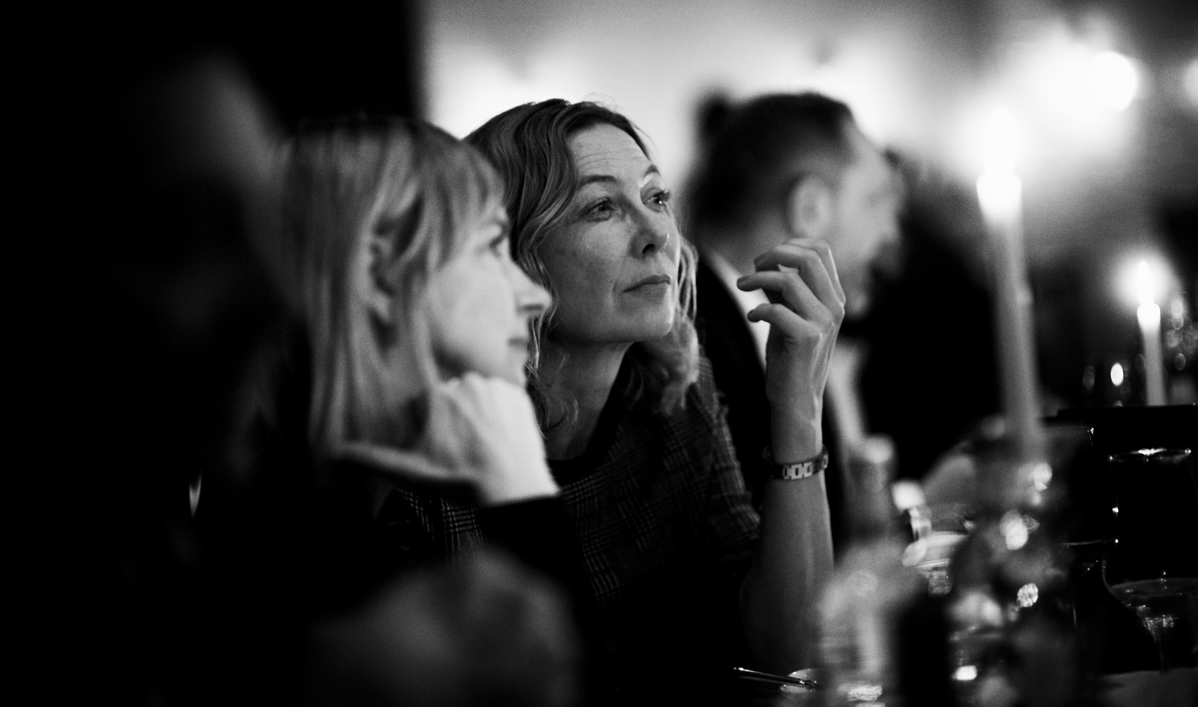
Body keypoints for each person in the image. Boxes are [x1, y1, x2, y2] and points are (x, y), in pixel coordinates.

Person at [414, 98, 841, 702]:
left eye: (657, 198)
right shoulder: (436, 461)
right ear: (508, 255)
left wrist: (799, 409)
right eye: (601, 207)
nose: (657, 234)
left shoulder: (677, 395)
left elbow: (790, 653)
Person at [272, 116, 586, 707]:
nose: (535, 295)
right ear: (379, 274)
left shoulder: (339, 507)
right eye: (491, 248)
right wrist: (523, 500)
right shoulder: (297, 569)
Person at [684, 92, 902, 546]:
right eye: (874, 201)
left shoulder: (781, 329)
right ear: (809, 208)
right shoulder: (694, 352)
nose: (890, 232)